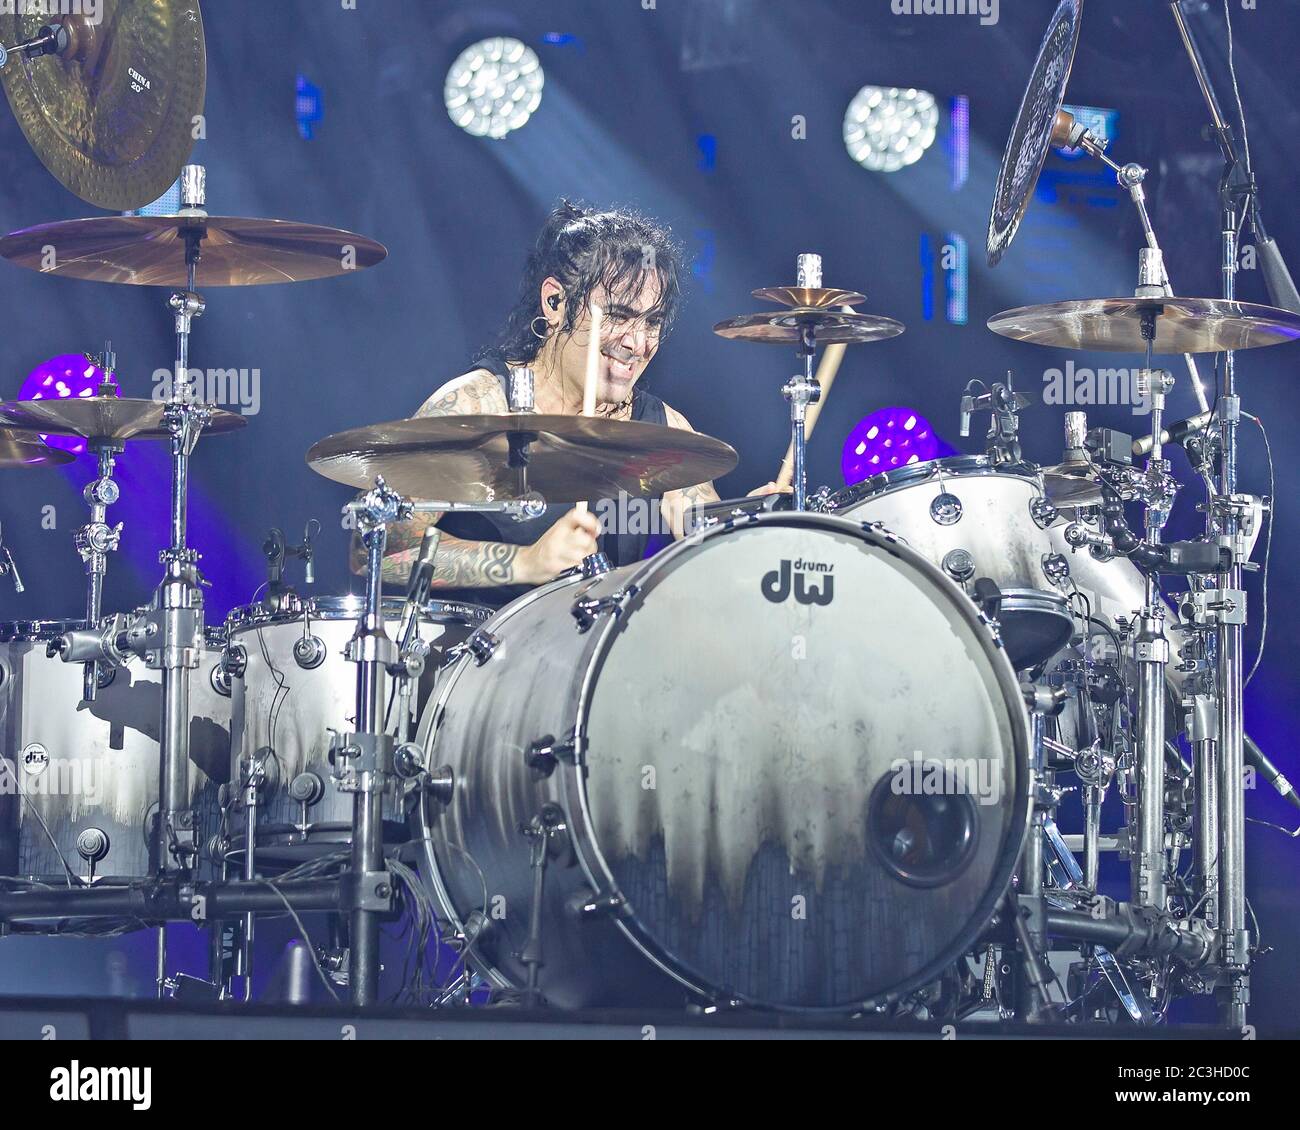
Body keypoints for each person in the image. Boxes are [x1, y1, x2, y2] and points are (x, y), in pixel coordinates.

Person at [358, 200, 782, 606]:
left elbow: (703, 536)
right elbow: (375, 553)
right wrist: (526, 562)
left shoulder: (660, 428)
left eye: (651, 322)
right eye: (617, 316)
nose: (637, 343)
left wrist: (753, 525)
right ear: (556, 303)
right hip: (481, 664)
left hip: (594, 667)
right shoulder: (474, 405)